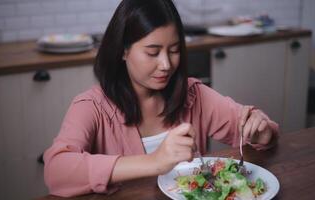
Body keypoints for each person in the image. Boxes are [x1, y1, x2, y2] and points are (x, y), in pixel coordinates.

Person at [43, 0, 279, 197]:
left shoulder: (193, 94)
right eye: (153, 52)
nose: (166, 65)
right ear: (123, 50)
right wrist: (155, 162)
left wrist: (262, 131)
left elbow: (249, 127)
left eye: (174, 50)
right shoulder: (92, 106)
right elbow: (56, 172)